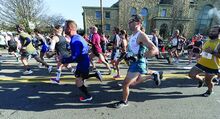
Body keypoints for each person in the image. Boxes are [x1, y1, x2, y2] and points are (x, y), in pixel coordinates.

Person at [113, 14, 159, 108]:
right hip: (134, 62)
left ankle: (124, 102)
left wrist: (139, 56)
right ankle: (153, 75)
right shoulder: (132, 36)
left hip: (138, 63)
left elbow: (155, 50)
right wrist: (126, 56)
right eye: (129, 21)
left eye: (131, 21)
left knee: (126, 84)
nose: (129, 23)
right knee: (133, 83)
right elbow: (132, 50)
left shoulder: (141, 35)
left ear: (138, 23)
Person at [62, 20, 103, 102]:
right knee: (80, 77)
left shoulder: (74, 40)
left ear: (69, 28)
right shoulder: (78, 37)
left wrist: (63, 60)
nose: (63, 28)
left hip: (83, 63)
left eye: (65, 27)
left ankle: (88, 96)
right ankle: (95, 75)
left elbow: (74, 57)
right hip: (83, 61)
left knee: (78, 81)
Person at [189, 25, 220, 97]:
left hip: (212, 66)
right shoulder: (207, 41)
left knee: (208, 81)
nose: (211, 32)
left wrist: (212, 52)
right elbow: (204, 51)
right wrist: (201, 54)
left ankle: (209, 90)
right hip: (202, 63)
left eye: (214, 31)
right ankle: (201, 80)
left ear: (219, 33)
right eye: (211, 31)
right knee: (191, 74)